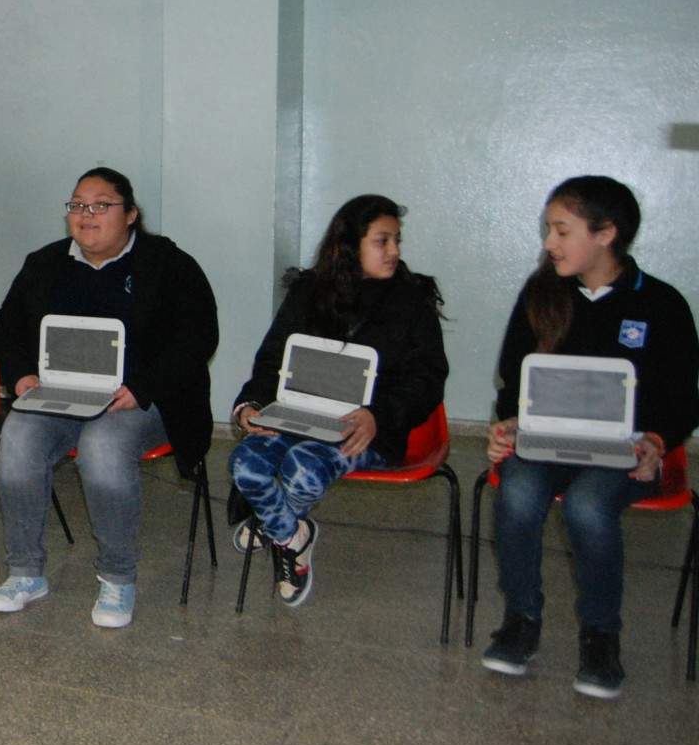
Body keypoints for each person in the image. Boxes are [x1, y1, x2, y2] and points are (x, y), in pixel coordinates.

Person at [481, 176, 698, 700]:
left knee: (588, 506)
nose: (549, 243)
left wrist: (656, 441)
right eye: (548, 230)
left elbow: (683, 398)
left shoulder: (661, 304)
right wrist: (509, 424)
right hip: (547, 440)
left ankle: (601, 635)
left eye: (562, 231)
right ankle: (521, 620)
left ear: (606, 234)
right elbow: (515, 380)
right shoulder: (541, 295)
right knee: (519, 493)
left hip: (626, 451)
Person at [0, 167, 217, 628]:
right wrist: (21, 375)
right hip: (60, 396)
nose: (86, 214)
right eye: (77, 205)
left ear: (130, 214)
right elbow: (6, 329)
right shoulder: (44, 263)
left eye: (100, 205)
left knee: (103, 444)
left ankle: (117, 577)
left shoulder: (168, 264)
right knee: (18, 434)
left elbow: (198, 336)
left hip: (140, 400)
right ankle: (25, 572)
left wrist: (143, 388)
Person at [227, 194, 448, 607]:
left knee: (302, 468)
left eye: (397, 240)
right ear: (348, 246)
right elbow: (273, 358)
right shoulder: (309, 291)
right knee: (245, 464)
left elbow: (428, 380)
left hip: (371, 430)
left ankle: (274, 523)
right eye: (382, 241)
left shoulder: (411, 301)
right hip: (300, 414)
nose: (394, 251)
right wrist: (250, 406)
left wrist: (378, 416)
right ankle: (293, 535)